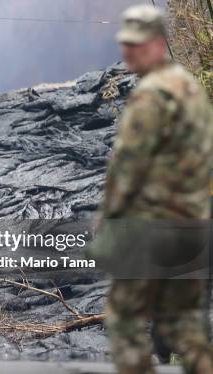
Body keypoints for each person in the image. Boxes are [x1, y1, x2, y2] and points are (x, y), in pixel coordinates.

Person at [100, 4, 213, 374]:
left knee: (123, 317)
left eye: (135, 45)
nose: (127, 52)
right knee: (189, 329)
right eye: (125, 45)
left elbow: (128, 166)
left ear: (156, 44)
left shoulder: (151, 95)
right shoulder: (190, 87)